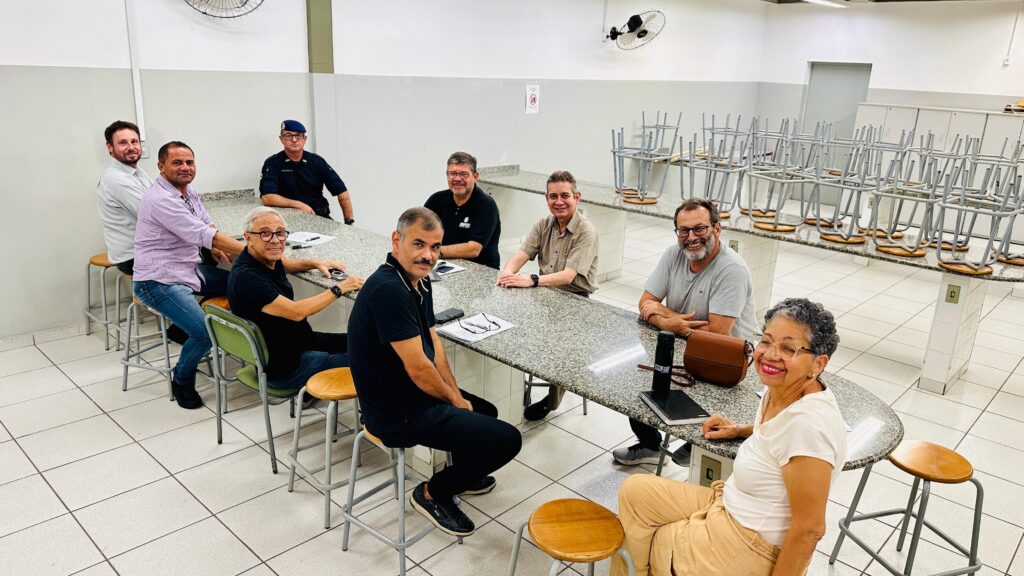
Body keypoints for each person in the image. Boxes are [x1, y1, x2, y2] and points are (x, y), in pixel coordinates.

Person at [612, 298, 847, 576]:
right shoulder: (785, 388)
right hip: (731, 504)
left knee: (657, 540)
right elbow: (779, 434)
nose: (770, 355)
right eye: (767, 341)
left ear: (818, 363)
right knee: (636, 491)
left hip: (750, 542)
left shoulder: (810, 427)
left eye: (789, 348)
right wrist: (741, 429)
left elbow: (810, 530)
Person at [347, 207, 522, 537]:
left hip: (410, 394)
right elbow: (418, 368)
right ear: (397, 241)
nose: (428, 255)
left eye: (435, 247)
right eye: (419, 244)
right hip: (392, 412)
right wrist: (454, 401)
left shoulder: (417, 281)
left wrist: (455, 396)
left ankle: (463, 475)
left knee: (487, 412)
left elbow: (434, 345)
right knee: (505, 440)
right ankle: (432, 493)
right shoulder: (389, 290)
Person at [612, 198, 757, 468]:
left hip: (726, 360)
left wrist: (662, 313)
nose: (691, 237)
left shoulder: (731, 270)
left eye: (699, 229)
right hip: (680, 342)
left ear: (717, 229)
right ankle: (650, 445)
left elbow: (717, 333)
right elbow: (645, 302)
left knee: (697, 406)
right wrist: (671, 323)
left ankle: (697, 443)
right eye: (684, 230)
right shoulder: (672, 254)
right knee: (637, 384)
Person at [133, 141, 243, 410]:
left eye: (189, 162)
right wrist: (255, 255)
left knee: (243, 286)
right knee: (204, 334)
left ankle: (184, 328)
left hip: (187, 269)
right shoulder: (161, 199)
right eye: (177, 162)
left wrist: (215, 247)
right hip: (157, 280)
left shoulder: (187, 191)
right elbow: (204, 234)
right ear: (160, 167)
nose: (185, 167)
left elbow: (207, 224)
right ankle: (181, 379)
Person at [227, 207, 363, 400]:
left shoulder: (259, 260)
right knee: (372, 357)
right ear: (248, 237)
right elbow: (297, 312)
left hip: (298, 343)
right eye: (265, 233)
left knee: (363, 341)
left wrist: (315, 263)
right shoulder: (248, 278)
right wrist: (340, 288)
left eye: (280, 233)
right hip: (288, 367)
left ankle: (311, 389)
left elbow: (285, 263)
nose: (275, 240)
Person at [497, 170, 599, 421]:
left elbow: (568, 276)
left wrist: (530, 280)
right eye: (553, 196)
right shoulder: (544, 225)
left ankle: (551, 402)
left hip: (576, 299)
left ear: (577, 197)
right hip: (544, 294)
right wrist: (507, 274)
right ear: (547, 199)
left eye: (565, 196)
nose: (559, 201)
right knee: (509, 332)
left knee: (562, 354)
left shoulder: (586, 230)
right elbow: (522, 254)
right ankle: (514, 387)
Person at [259, 120, 355, 223]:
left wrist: (349, 222)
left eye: (299, 136)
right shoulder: (273, 163)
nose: (294, 140)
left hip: (319, 216)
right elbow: (267, 197)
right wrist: (298, 205)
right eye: (288, 136)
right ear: (281, 139)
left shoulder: (316, 161)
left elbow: (342, 193)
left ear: (305, 139)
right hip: (286, 220)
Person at [424, 151, 502, 269]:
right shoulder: (436, 199)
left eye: (464, 174)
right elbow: (419, 228)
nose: (457, 179)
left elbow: (473, 249)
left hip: (479, 270)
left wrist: (436, 252)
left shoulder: (486, 205)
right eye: (453, 174)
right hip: (443, 264)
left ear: (475, 177)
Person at [95, 120, 152, 276]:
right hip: (134, 258)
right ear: (110, 148)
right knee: (206, 255)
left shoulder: (138, 172)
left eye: (134, 141)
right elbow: (155, 215)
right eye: (123, 143)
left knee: (206, 252)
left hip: (145, 251)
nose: (131, 147)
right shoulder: (116, 179)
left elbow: (163, 201)